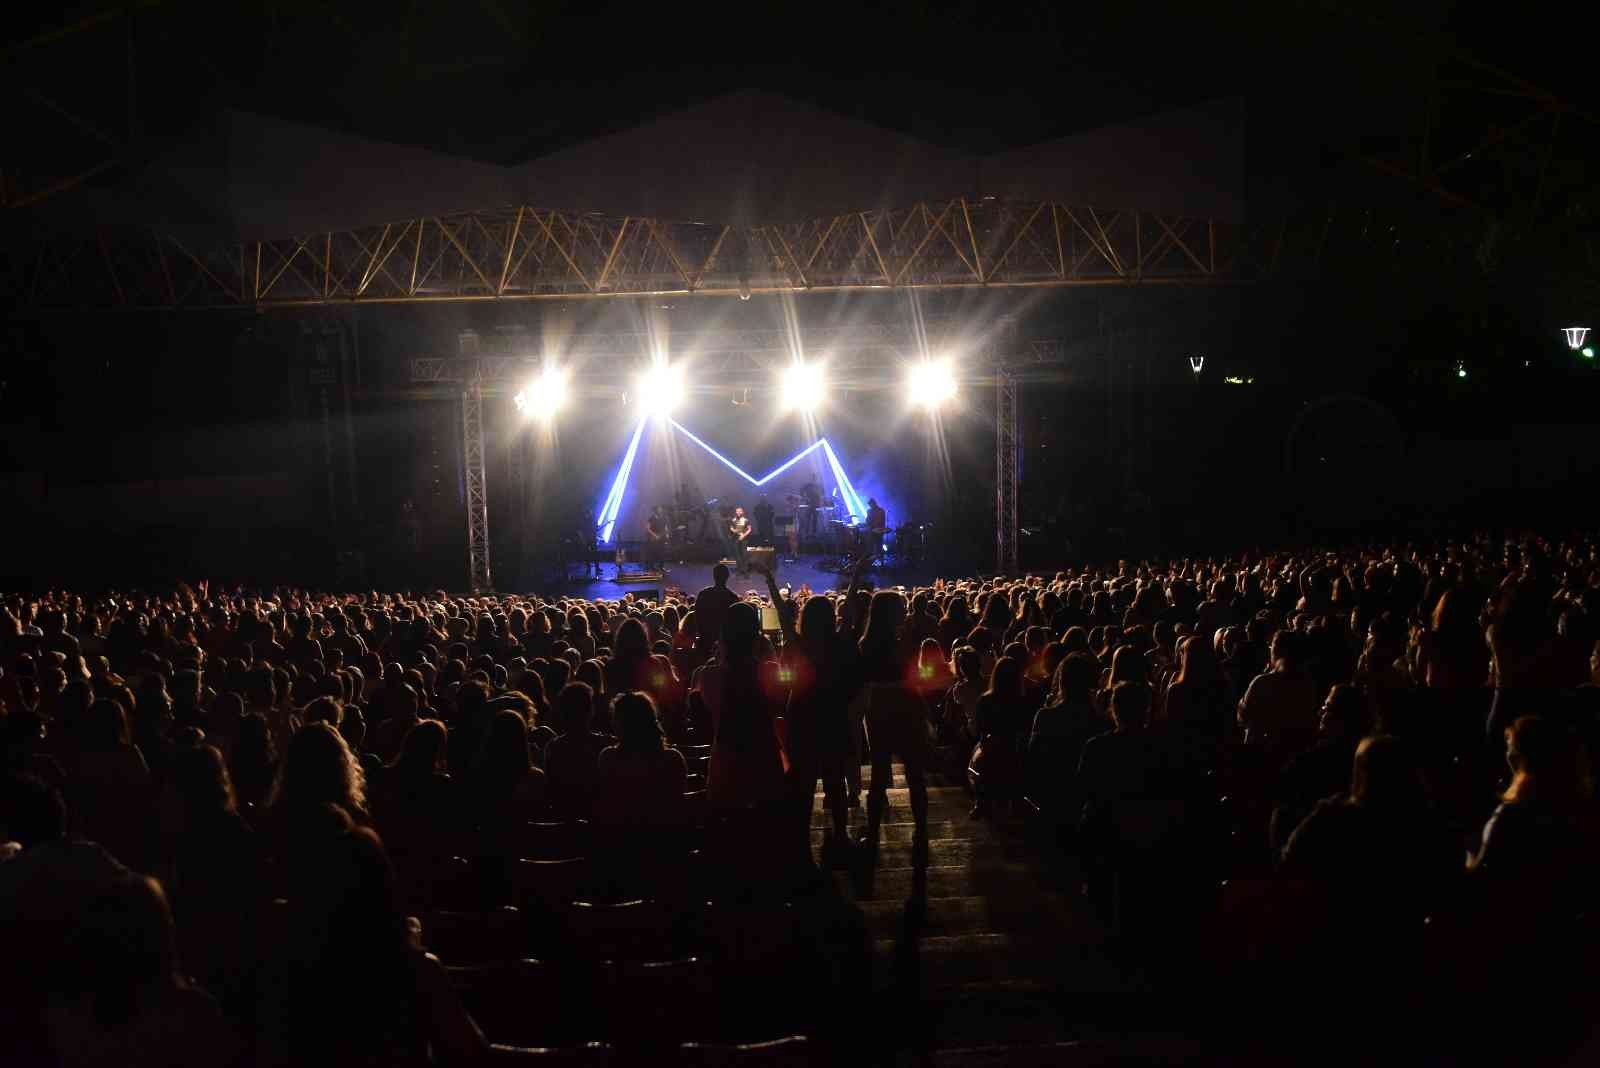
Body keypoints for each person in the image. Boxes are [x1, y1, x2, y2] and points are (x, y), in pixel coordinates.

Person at [693, 564, 739, 659]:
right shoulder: (732, 597)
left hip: (705, 641)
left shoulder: (703, 594)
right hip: (726, 644)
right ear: (727, 577)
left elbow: (697, 617)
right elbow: (734, 623)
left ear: (714, 576)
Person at [726, 506, 752, 574]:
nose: (738, 512)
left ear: (742, 512)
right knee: (737, 555)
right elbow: (731, 528)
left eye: (740, 511)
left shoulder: (746, 520)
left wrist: (743, 535)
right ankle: (739, 570)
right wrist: (735, 531)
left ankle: (745, 571)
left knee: (744, 554)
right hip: (735, 539)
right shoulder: (733, 520)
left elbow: (749, 529)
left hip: (744, 539)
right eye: (737, 511)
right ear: (736, 512)